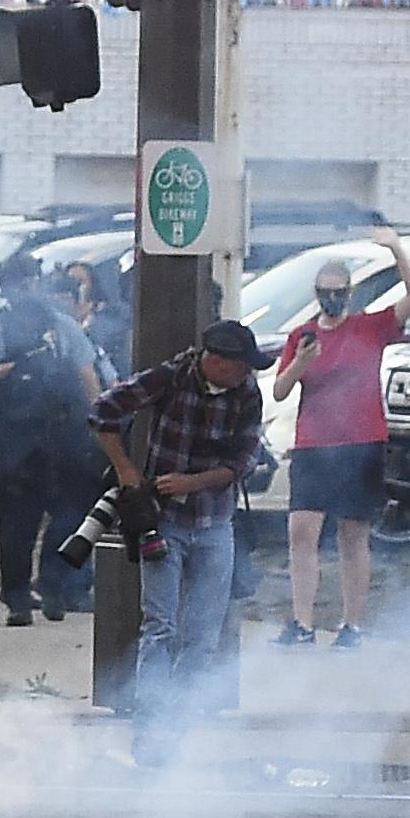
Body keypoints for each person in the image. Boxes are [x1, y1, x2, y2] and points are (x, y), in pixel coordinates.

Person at [92, 318, 269, 761]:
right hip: (163, 522)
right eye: (239, 365)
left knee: (204, 636)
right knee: (161, 626)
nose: (246, 373)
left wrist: (194, 482)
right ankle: (149, 727)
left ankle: (175, 726)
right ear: (215, 361)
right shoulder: (172, 376)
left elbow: (242, 463)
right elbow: (104, 411)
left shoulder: (247, 393)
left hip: (215, 522)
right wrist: (127, 471)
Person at [272, 227, 410, 649]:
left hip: (360, 442)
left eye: (338, 292)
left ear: (350, 293)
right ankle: (302, 623)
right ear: (317, 293)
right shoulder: (302, 335)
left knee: (352, 536)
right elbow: (281, 390)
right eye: (325, 292)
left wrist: (396, 248)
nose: (332, 299)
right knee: (302, 532)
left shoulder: (368, 328)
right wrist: (301, 362)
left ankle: (351, 625)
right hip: (314, 445)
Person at [0, 254, 106, 633]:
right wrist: (15, 367)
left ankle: (53, 585)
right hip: (17, 439)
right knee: (17, 523)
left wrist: (100, 426)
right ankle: (16, 596)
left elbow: (86, 373)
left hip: (63, 435)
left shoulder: (61, 326)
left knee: (70, 516)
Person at [63, 262, 132, 378]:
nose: (74, 289)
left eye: (80, 282)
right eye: (70, 283)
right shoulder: (62, 321)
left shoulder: (113, 316)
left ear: (92, 284)